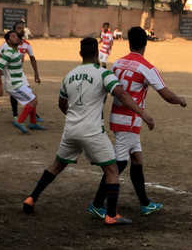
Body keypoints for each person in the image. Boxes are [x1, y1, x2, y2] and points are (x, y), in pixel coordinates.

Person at [23, 37, 153, 225]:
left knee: (57, 165)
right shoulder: (103, 74)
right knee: (112, 169)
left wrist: (75, 116)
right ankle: (111, 215)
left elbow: (61, 103)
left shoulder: (69, 75)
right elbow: (122, 94)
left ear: (80, 53)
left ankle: (31, 197)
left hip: (71, 129)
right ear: (96, 53)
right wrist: (143, 114)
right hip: (92, 131)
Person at [91, 27, 186, 217]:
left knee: (136, 159)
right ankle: (97, 204)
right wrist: (180, 100)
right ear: (145, 43)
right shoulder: (146, 67)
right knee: (119, 164)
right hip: (129, 119)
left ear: (129, 42)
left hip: (119, 116)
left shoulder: (117, 63)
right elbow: (165, 94)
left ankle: (145, 203)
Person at [0, 30, 44, 134]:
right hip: (14, 84)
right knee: (33, 101)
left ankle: (33, 123)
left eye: (16, 36)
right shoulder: (8, 52)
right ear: (8, 41)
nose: (16, 37)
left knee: (33, 97)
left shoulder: (15, 51)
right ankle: (20, 121)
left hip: (18, 82)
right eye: (13, 36)